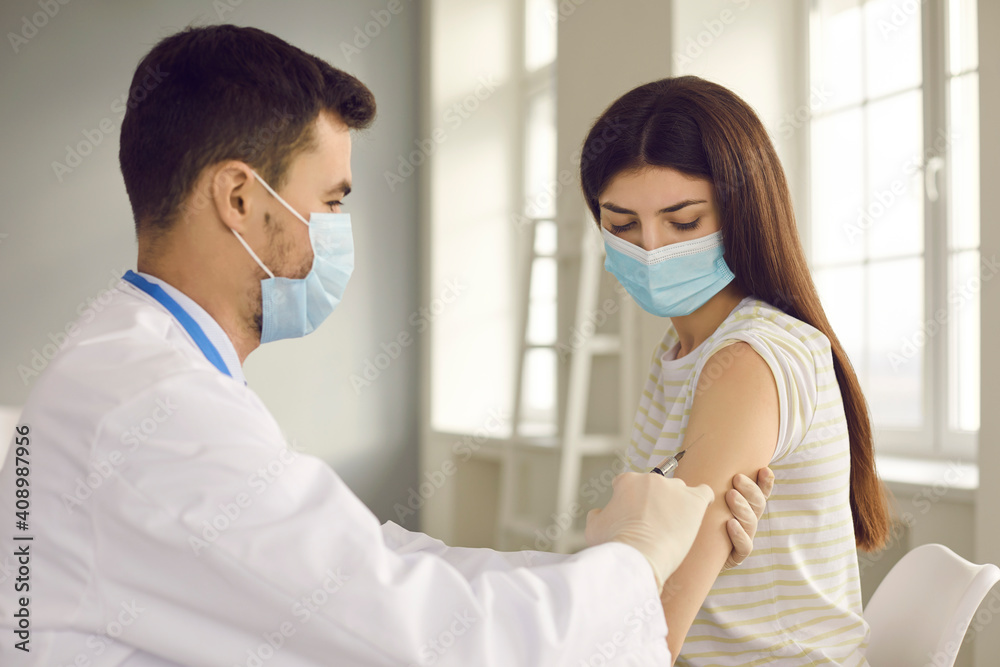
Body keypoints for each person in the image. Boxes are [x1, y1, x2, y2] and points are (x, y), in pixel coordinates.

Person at [0, 27, 775, 666]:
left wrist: (598, 566)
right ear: (238, 197)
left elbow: (375, 562)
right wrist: (635, 560)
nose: (340, 230)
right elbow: (415, 633)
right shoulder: (158, 409)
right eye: (330, 200)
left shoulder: (138, 365)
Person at [579, 76, 892, 665]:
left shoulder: (746, 359)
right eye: (622, 225)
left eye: (683, 222)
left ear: (741, 213)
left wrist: (611, 548)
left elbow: (649, 636)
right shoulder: (682, 351)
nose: (651, 248)